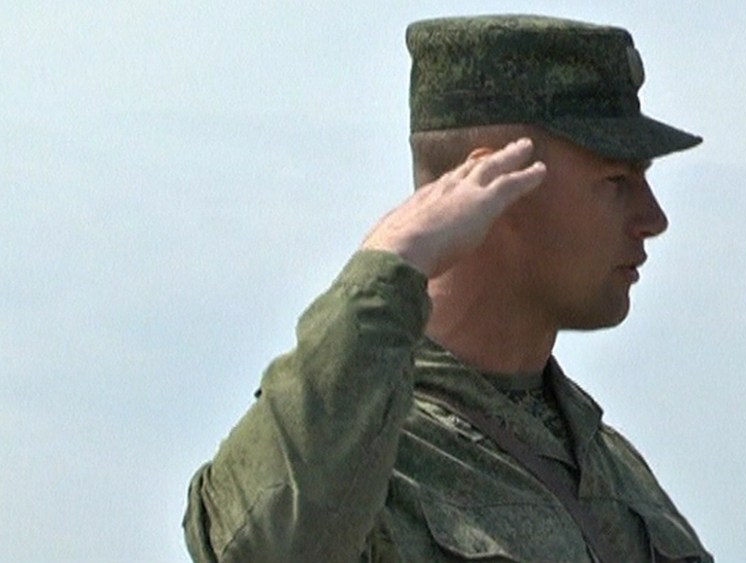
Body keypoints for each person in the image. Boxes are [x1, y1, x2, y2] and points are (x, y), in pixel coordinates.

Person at [183, 14, 713, 562]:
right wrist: (391, 262)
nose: (653, 218)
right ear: (495, 182)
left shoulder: (615, 473)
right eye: (617, 181)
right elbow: (263, 548)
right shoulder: (354, 463)